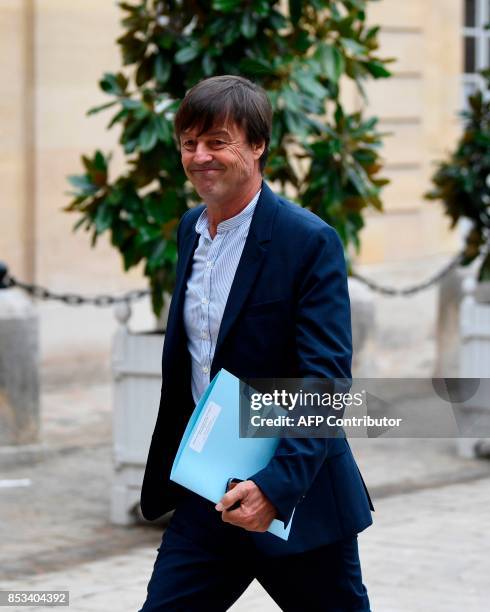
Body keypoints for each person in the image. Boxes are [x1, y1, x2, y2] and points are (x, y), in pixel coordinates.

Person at [139, 75, 374, 611]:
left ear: (258, 144)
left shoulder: (307, 240)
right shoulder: (190, 230)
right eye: (189, 144)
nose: (200, 157)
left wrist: (276, 486)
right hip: (207, 497)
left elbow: (326, 379)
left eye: (217, 141)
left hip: (296, 501)